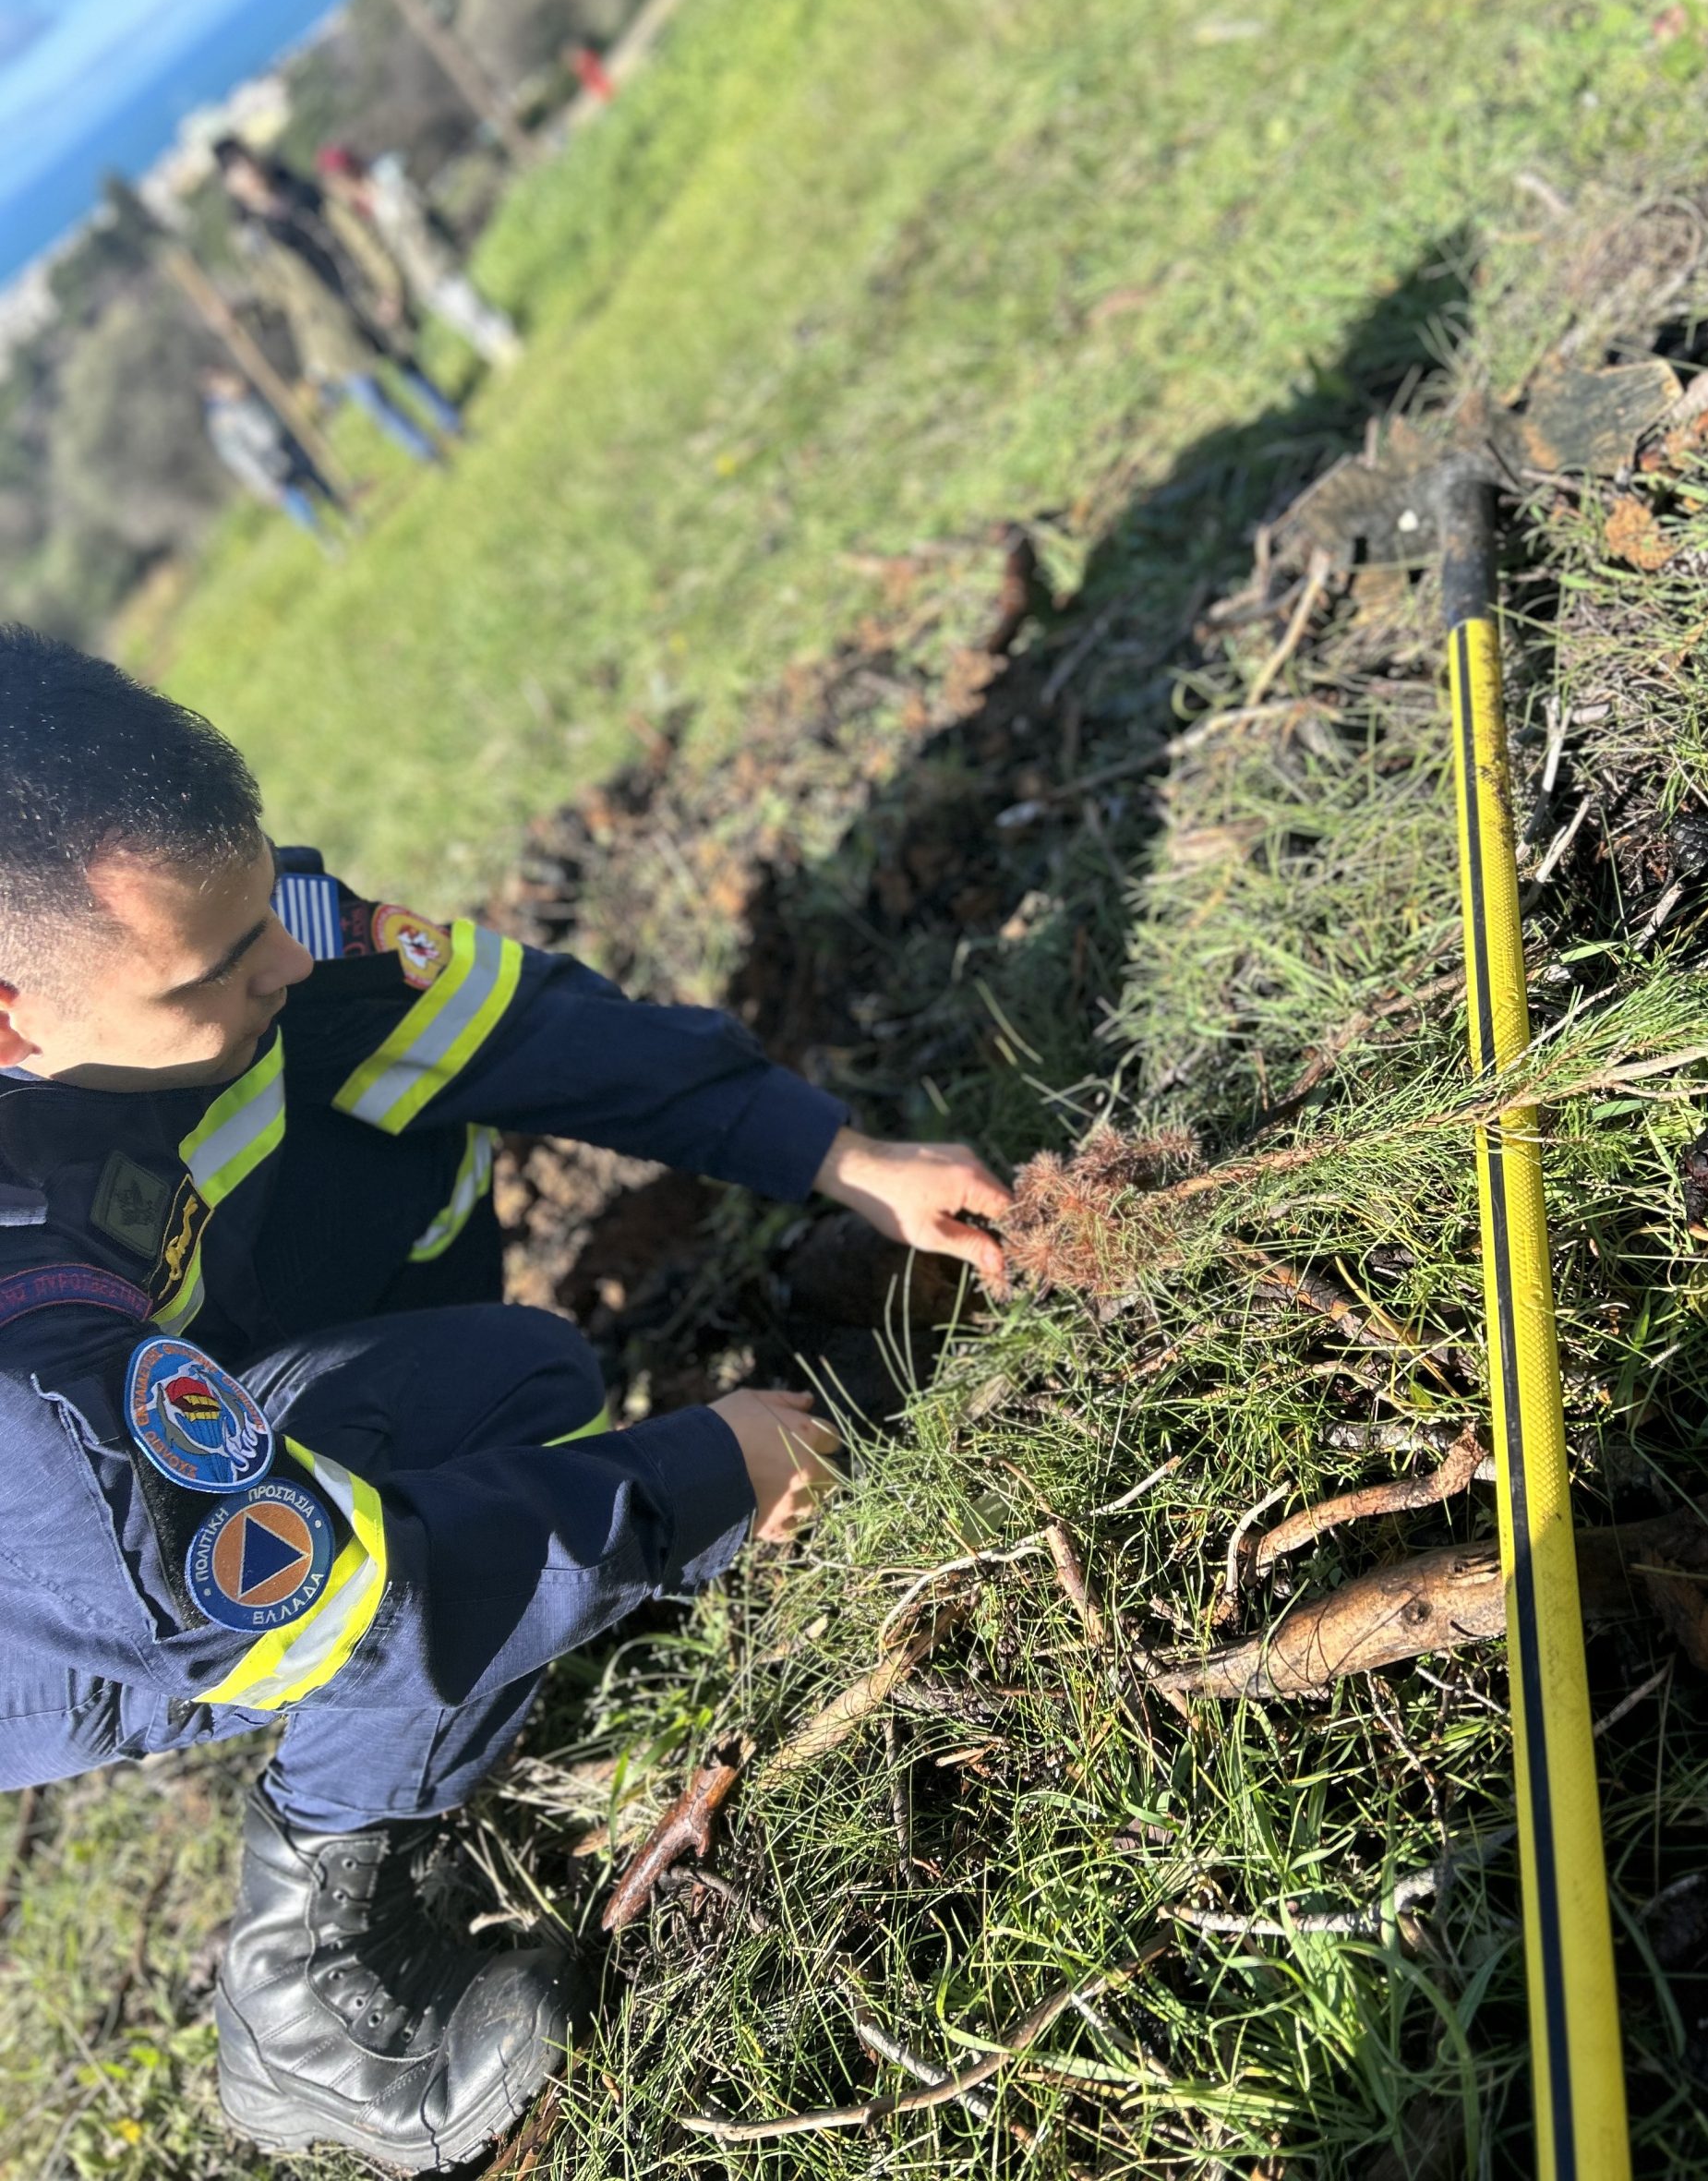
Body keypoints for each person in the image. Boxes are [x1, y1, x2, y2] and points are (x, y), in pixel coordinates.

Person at [0, 627, 1009, 2173]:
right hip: (46, 1581)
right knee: (365, 1570)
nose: (281, 956)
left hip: (134, 1387)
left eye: (260, 900)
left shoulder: (225, 936)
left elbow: (494, 1016)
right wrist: (694, 1483)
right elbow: (335, 1583)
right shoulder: (30, 1386)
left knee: (512, 1381)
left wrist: (831, 1155)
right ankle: (307, 2008)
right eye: (215, 967)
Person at [213, 137, 461, 465]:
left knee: (405, 362)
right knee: (372, 396)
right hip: (324, 328)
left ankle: (452, 423)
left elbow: (356, 235)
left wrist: (388, 284)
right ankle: (426, 451)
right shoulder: (249, 238)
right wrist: (242, 316)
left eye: (248, 163)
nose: (249, 175)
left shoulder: (303, 192)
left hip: (359, 292)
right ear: (230, 185)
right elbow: (274, 296)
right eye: (237, 173)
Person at [318, 143, 522, 372]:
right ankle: (493, 348)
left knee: (464, 300)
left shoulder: (384, 181)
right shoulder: (355, 208)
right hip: (413, 271)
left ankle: (504, 338)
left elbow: (415, 210)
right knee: (453, 312)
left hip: (428, 254)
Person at [197, 365, 345, 554]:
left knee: (317, 479)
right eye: (219, 381)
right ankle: (326, 539)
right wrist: (264, 482)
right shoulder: (222, 420)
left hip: (286, 442)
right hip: (269, 465)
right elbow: (239, 456)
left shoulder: (245, 392)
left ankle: (346, 513)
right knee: (299, 504)